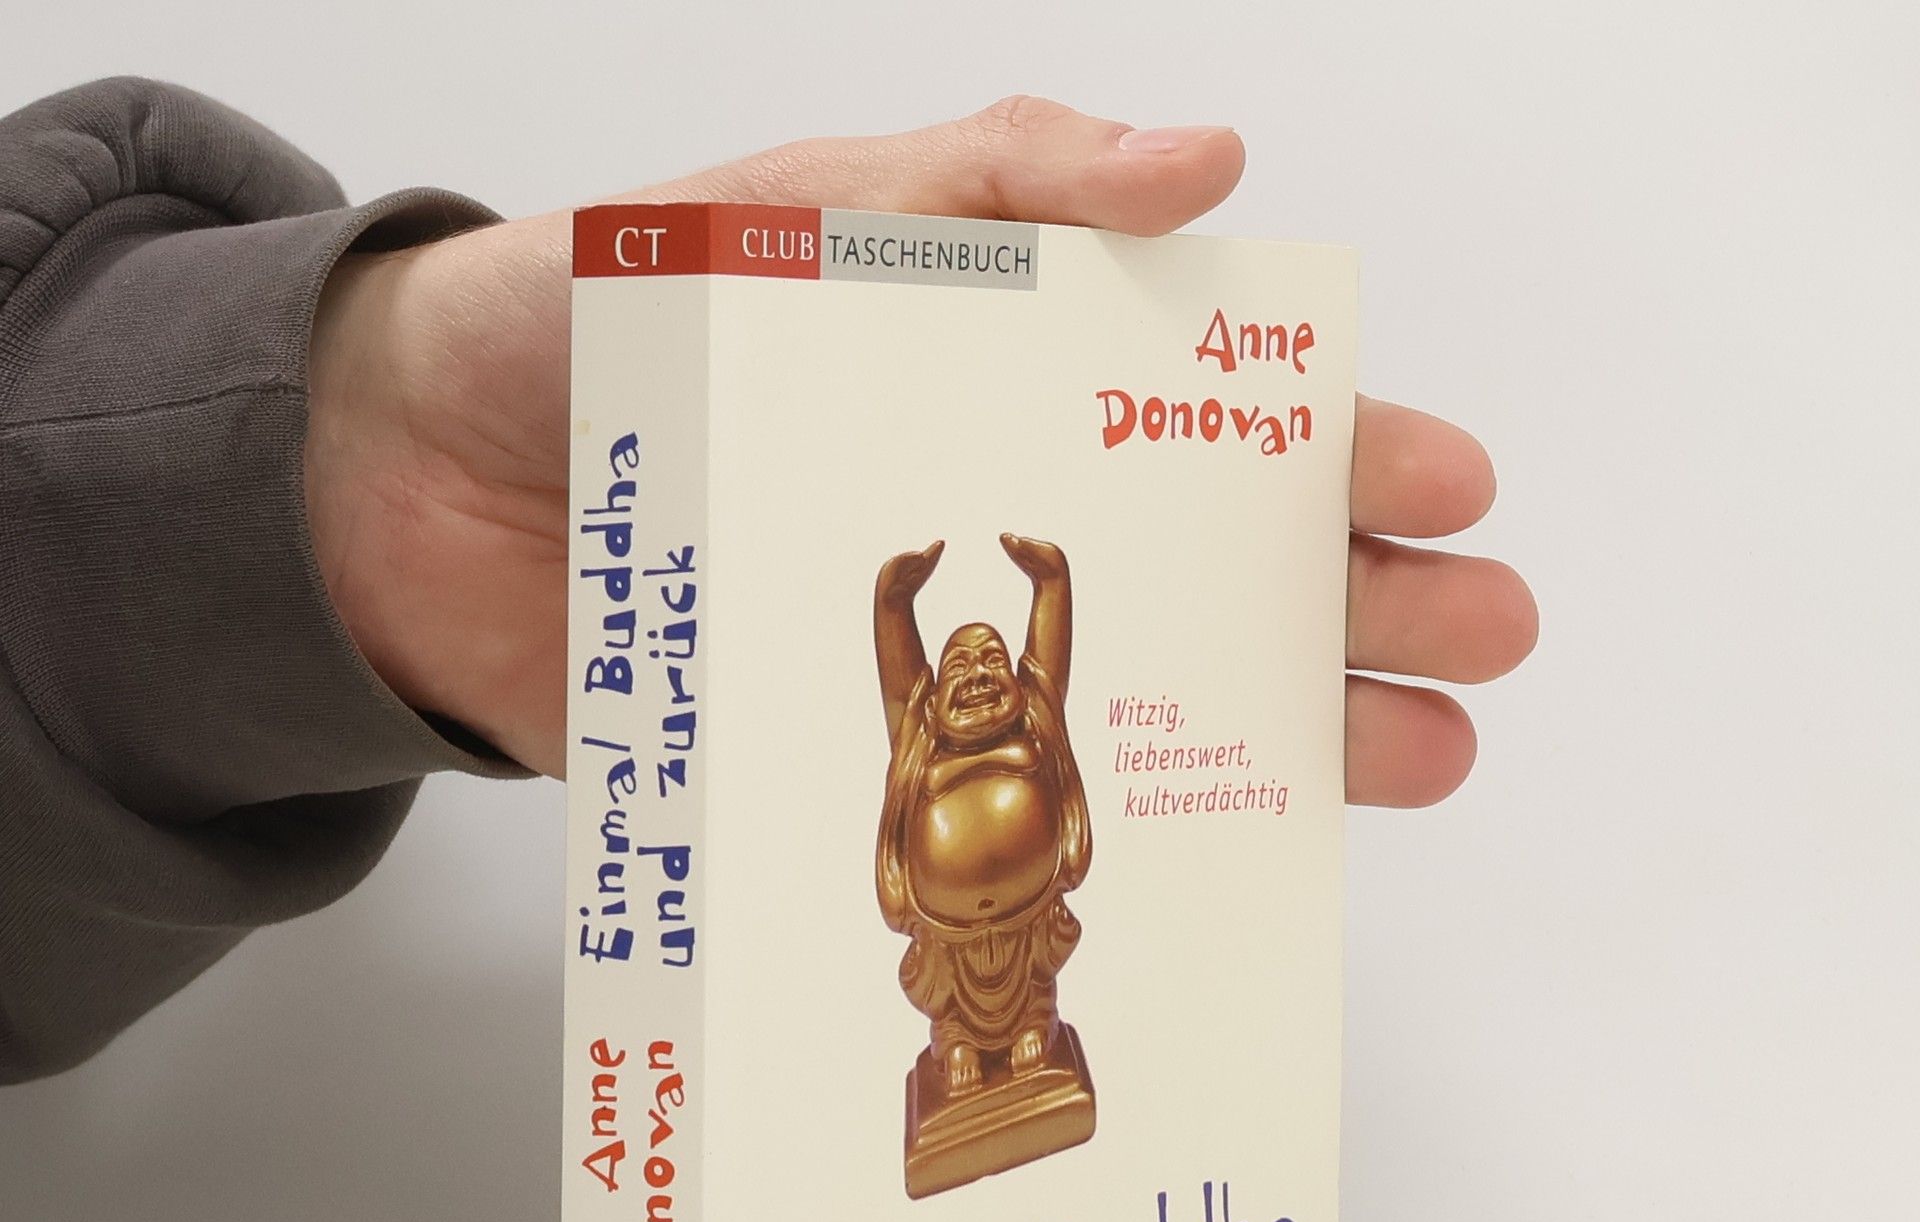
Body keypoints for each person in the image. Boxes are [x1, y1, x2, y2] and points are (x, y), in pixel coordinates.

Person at [0, 78, 1536, 1086]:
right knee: (965, 1039)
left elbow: (1054, 668)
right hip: (945, 919)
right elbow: (897, 659)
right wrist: (907, 597)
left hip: (1022, 916)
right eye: (970, 664)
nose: (982, 673)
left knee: (1023, 1029)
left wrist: (333, 448)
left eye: (993, 663)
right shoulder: (928, 728)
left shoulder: (1028, 725)